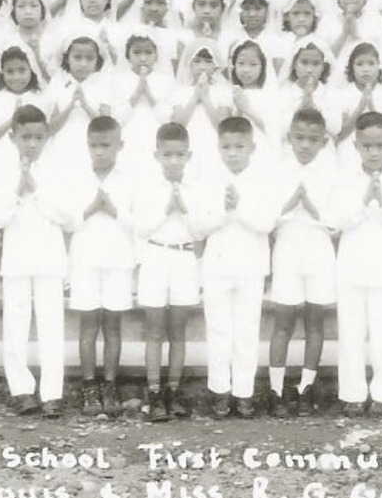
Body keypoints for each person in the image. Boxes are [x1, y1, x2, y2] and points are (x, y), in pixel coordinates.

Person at [0, 104, 72, 417]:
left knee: (52, 326)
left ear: (46, 137)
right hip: (17, 260)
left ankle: (52, 393)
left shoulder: (56, 171)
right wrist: (15, 191)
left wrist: (36, 192)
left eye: (38, 137)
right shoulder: (2, 172)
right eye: (26, 137)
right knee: (16, 325)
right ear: (13, 137)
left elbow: (67, 216)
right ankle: (22, 390)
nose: (32, 143)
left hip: (49, 259)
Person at [195, 116, 276, 418]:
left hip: (251, 265)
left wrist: (239, 208)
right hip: (217, 264)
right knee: (218, 330)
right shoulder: (208, 180)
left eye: (239, 146)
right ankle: (220, 390)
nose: (233, 153)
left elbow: (266, 223)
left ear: (251, 148)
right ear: (218, 147)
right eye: (227, 147)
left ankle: (244, 392)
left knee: (246, 330)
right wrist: (223, 210)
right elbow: (198, 225)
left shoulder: (263, 180)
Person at [330, 111, 382, 416]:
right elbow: (335, 220)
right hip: (351, 266)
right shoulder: (345, 179)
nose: (374, 153)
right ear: (357, 146)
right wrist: (363, 202)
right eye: (367, 146)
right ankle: (353, 393)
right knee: (351, 333)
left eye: (380, 146)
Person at [131, 122, 209, 421]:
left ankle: (173, 392)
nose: (174, 161)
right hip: (155, 256)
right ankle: (153, 393)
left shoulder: (196, 188)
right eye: (168, 155)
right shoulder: (148, 188)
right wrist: (166, 208)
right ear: (157, 155)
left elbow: (200, 231)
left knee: (177, 331)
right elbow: (140, 228)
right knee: (154, 330)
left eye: (179, 155)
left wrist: (184, 208)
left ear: (188, 156)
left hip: (184, 259)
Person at [64, 116, 140, 417]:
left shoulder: (129, 180)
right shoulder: (78, 178)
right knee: (88, 326)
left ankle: (110, 384)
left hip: (118, 262)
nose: (99, 152)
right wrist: (90, 209)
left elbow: (138, 224)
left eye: (106, 145)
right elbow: (67, 221)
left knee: (112, 326)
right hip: (85, 261)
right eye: (94, 146)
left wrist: (113, 210)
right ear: (87, 146)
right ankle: (88, 386)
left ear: (119, 145)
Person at [267, 108, 338, 416]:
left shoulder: (331, 175)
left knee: (314, 322)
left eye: (313, 139)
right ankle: (275, 390)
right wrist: (288, 204)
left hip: (319, 250)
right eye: (299, 138)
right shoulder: (278, 171)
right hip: (288, 249)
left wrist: (311, 206)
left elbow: (337, 223)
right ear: (289, 139)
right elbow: (267, 219)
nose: (305, 145)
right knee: (282, 323)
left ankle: (306, 387)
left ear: (323, 141)